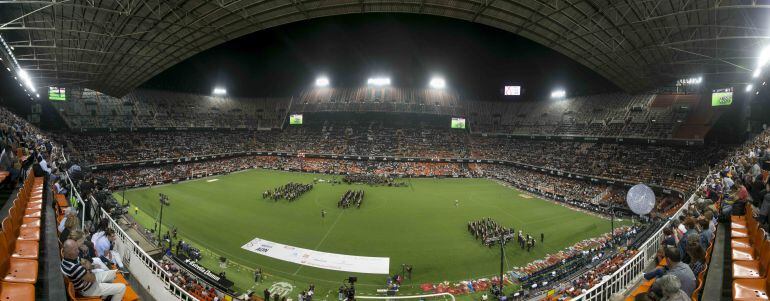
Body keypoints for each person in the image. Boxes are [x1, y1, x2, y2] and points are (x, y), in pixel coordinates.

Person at [60, 239, 126, 300]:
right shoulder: (75, 268)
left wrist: (87, 267)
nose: (78, 251)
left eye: (77, 248)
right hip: (88, 289)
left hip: (87, 281)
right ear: (68, 253)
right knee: (122, 287)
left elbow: (86, 262)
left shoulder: (66, 259)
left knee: (113, 273)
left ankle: (105, 296)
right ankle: (105, 293)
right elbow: (93, 278)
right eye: (75, 250)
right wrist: (87, 268)